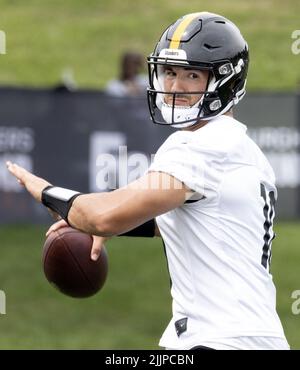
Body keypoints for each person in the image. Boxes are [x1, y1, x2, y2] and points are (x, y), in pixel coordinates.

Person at [7, 12, 290, 350]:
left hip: (219, 339)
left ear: (226, 81)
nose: (174, 86)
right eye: (170, 72)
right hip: (257, 337)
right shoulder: (245, 149)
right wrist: (112, 223)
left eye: (192, 74)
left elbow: (104, 215)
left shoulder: (199, 143)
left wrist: (48, 193)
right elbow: (181, 218)